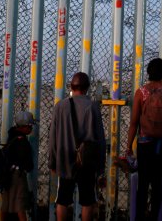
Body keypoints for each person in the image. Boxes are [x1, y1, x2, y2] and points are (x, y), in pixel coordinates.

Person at [125, 58, 162, 220]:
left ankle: (140, 216)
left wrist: (128, 147)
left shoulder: (141, 92)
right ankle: (155, 216)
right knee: (157, 184)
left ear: (148, 72)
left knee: (142, 184)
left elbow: (134, 123)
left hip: (145, 143)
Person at [49, 72, 106, 221]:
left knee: (62, 199)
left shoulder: (60, 106)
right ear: (87, 88)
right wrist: (100, 167)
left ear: (71, 86)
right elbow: (100, 139)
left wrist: (52, 162)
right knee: (87, 201)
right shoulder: (93, 107)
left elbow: (53, 138)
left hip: (65, 158)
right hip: (86, 161)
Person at [0, 111, 36, 221]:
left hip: (7, 173)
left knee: (6, 203)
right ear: (23, 126)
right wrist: (29, 166)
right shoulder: (22, 141)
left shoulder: (11, 136)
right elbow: (27, 162)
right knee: (21, 203)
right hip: (18, 174)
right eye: (30, 126)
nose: (31, 129)